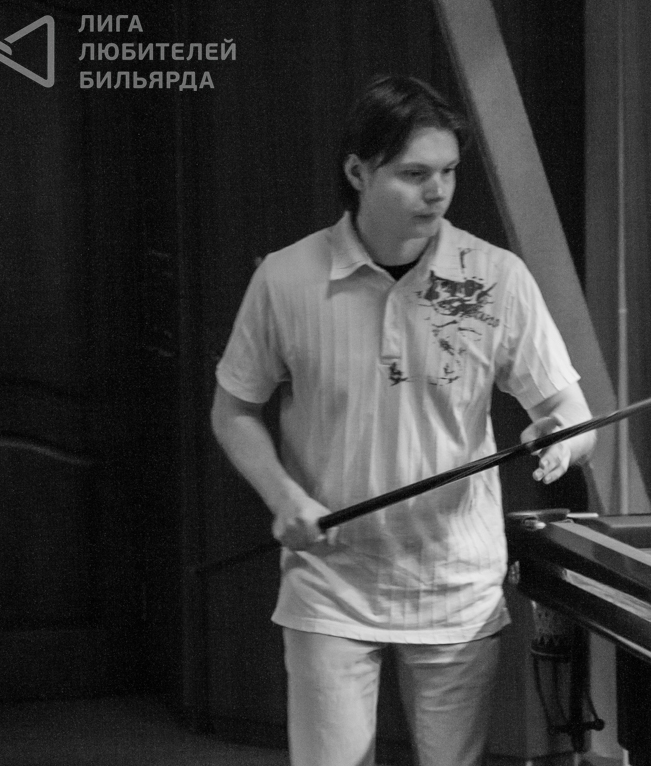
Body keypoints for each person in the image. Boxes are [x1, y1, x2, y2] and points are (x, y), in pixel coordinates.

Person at [211, 74, 596, 766]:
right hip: (329, 579)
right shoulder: (287, 278)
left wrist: (559, 440)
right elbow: (233, 409)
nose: (437, 191)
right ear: (358, 171)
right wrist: (283, 496)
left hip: (456, 583)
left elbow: (572, 415)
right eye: (415, 174)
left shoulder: (495, 277)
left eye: (448, 172)